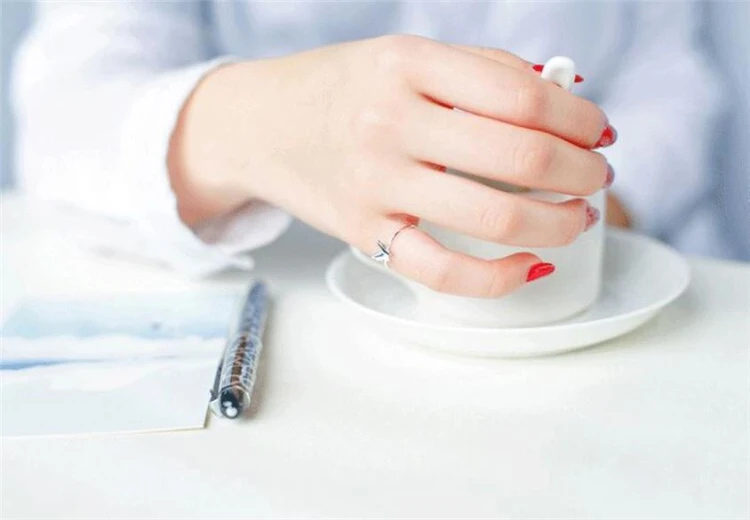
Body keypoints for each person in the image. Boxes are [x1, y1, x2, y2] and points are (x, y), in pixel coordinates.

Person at [11, 2, 720, 295]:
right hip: (302, 294)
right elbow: (64, 115)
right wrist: (272, 123)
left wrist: (593, 206)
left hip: (598, 289)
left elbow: (677, 82)